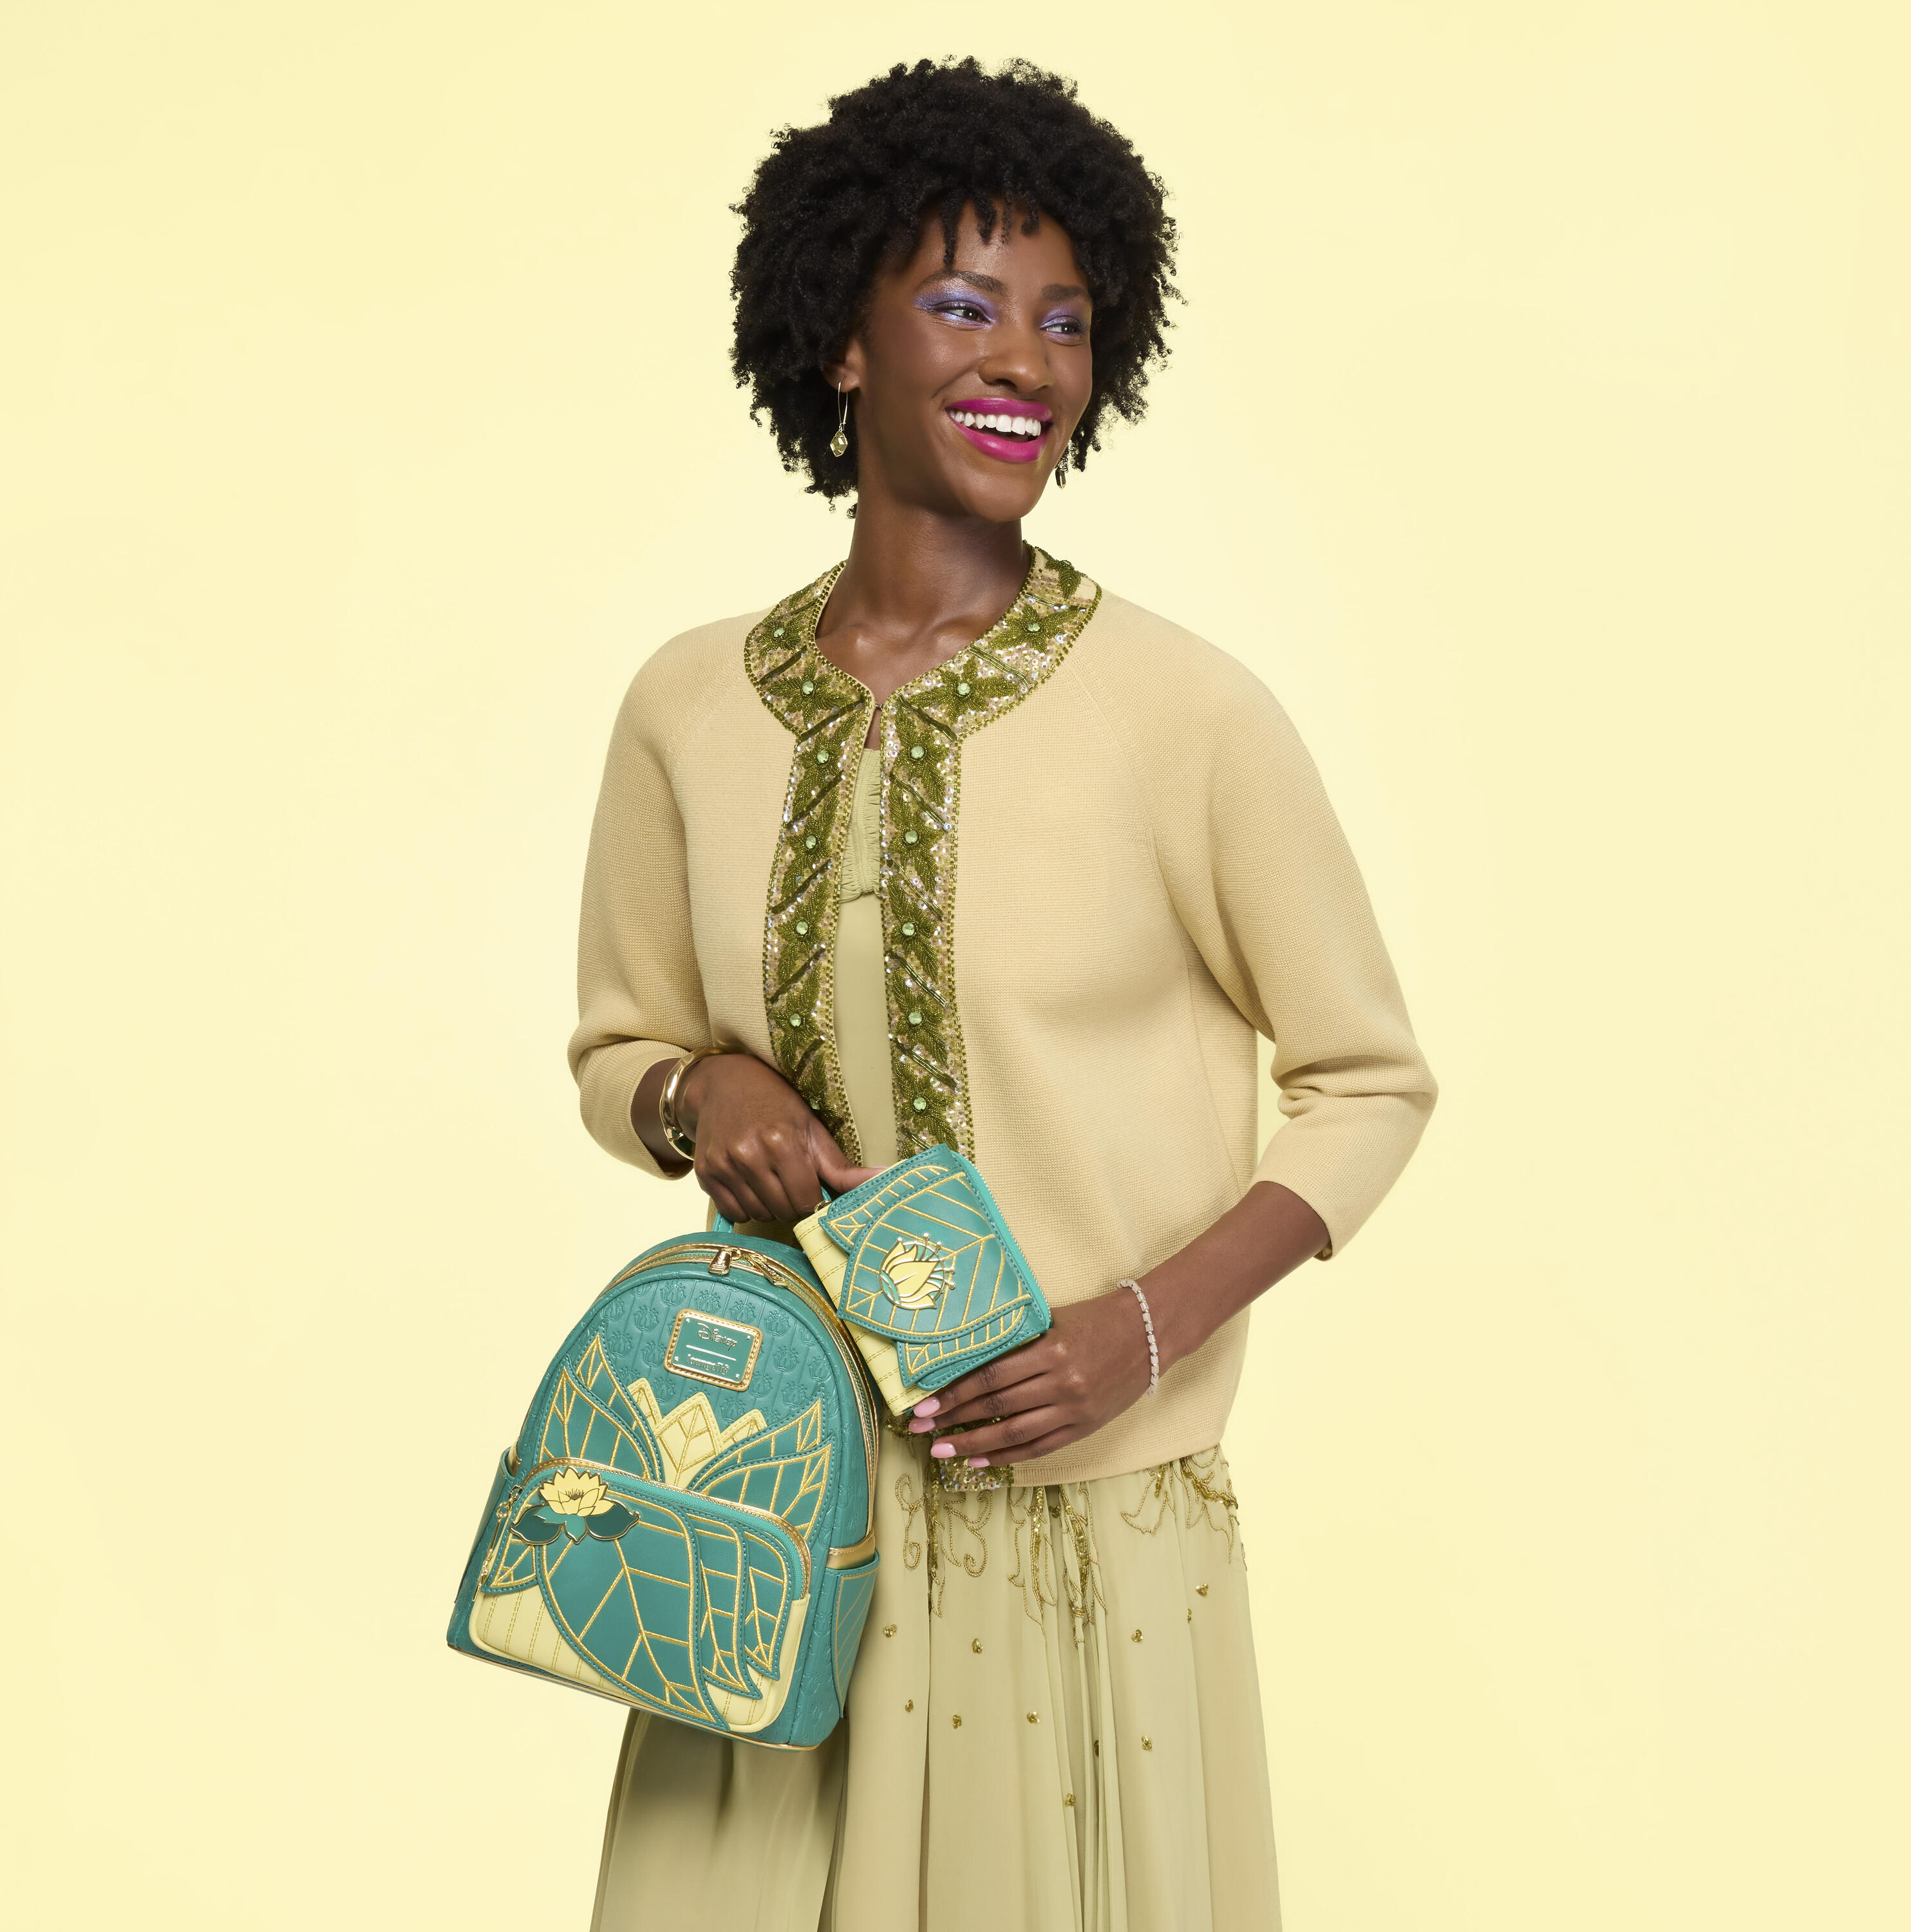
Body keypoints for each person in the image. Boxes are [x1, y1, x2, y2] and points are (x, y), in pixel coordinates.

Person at [567, 56, 1435, 1932]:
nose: (1026, 363)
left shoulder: (1187, 714)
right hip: (761, 1511)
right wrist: (695, 1094)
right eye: (966, 306)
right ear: (840, 339)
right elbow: (618, 1045)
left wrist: (1143, 1331)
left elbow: (1371, 1084)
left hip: (1080, 1525)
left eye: (1066, 322)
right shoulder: (687, 708)